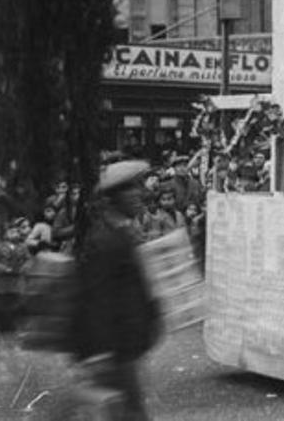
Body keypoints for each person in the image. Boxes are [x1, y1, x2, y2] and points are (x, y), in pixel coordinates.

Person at [71, 160, 163, 420]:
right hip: (113, 351)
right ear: (114, 198)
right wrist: (99, 352)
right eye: (131, 190)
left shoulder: (121, 233)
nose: (140, 195)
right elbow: (95, 299)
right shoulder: (106, 240)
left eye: (139, 187)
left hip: (124, 347)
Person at [0, 218, 30, 332]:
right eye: (11, 232)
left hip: (17, 281)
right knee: (1, 304)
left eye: (16, 232)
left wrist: (23, 268)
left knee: (16, 303)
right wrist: (5, 269)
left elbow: (28, 260)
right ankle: (2, 327)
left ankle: (13, 327)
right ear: (6, 234)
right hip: (3, 282)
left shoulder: (23, 247)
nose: (14, 234)